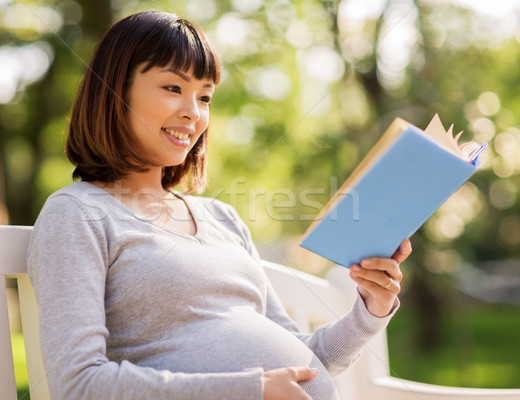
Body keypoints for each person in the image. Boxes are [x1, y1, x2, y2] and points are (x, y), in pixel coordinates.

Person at [27, 10, 411, 400]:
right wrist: (250, 389)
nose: (194, 112)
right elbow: (78, 384)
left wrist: (371, 308)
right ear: (114, 91)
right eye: (173, 88)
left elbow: (305, 361)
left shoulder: (221, 218)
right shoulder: (78, 213)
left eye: (205, 96)